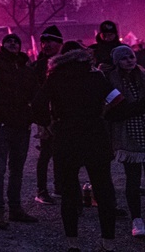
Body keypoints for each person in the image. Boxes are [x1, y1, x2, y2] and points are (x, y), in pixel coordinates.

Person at [33, 41, 117, 252]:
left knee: (69, 193)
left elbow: (38, 105)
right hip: (95, 134)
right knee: (104, 189)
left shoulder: (55, 78)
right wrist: (105, 116)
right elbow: (117, 99)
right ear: (83, 56)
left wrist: (49, 125)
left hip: (66, 136)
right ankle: (108, 242)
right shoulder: (96, 76)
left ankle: (73, 243)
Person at [0, 31, 39, 229]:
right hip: (1, 124)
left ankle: (15, 209)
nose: (12, 43)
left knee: (17, 170)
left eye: (15, 41)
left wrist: (32, 117)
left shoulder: (27, 69)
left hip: (21, 125)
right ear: (3, 46)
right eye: (9, 41)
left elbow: (35, 95)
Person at [106, 45, 145, 238]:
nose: (130, 60)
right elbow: (113, 112)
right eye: (124, 58)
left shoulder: (143, 76)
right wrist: (138, 108)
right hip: (127, 135)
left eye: (131, 56)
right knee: (133, 179)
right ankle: (137, 219)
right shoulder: (111, 80)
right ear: (117, 62)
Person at [31, 25, 64, 205]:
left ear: (59, 43)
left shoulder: (66, 63)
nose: (46, 45)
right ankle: (41, 190)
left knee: (62, 152)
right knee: (45, 153)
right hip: (46, 115)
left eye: (50, 41)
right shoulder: (39, 65)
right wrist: (41, 118)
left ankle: (60, 186)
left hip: (64, 113)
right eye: (44, 41)